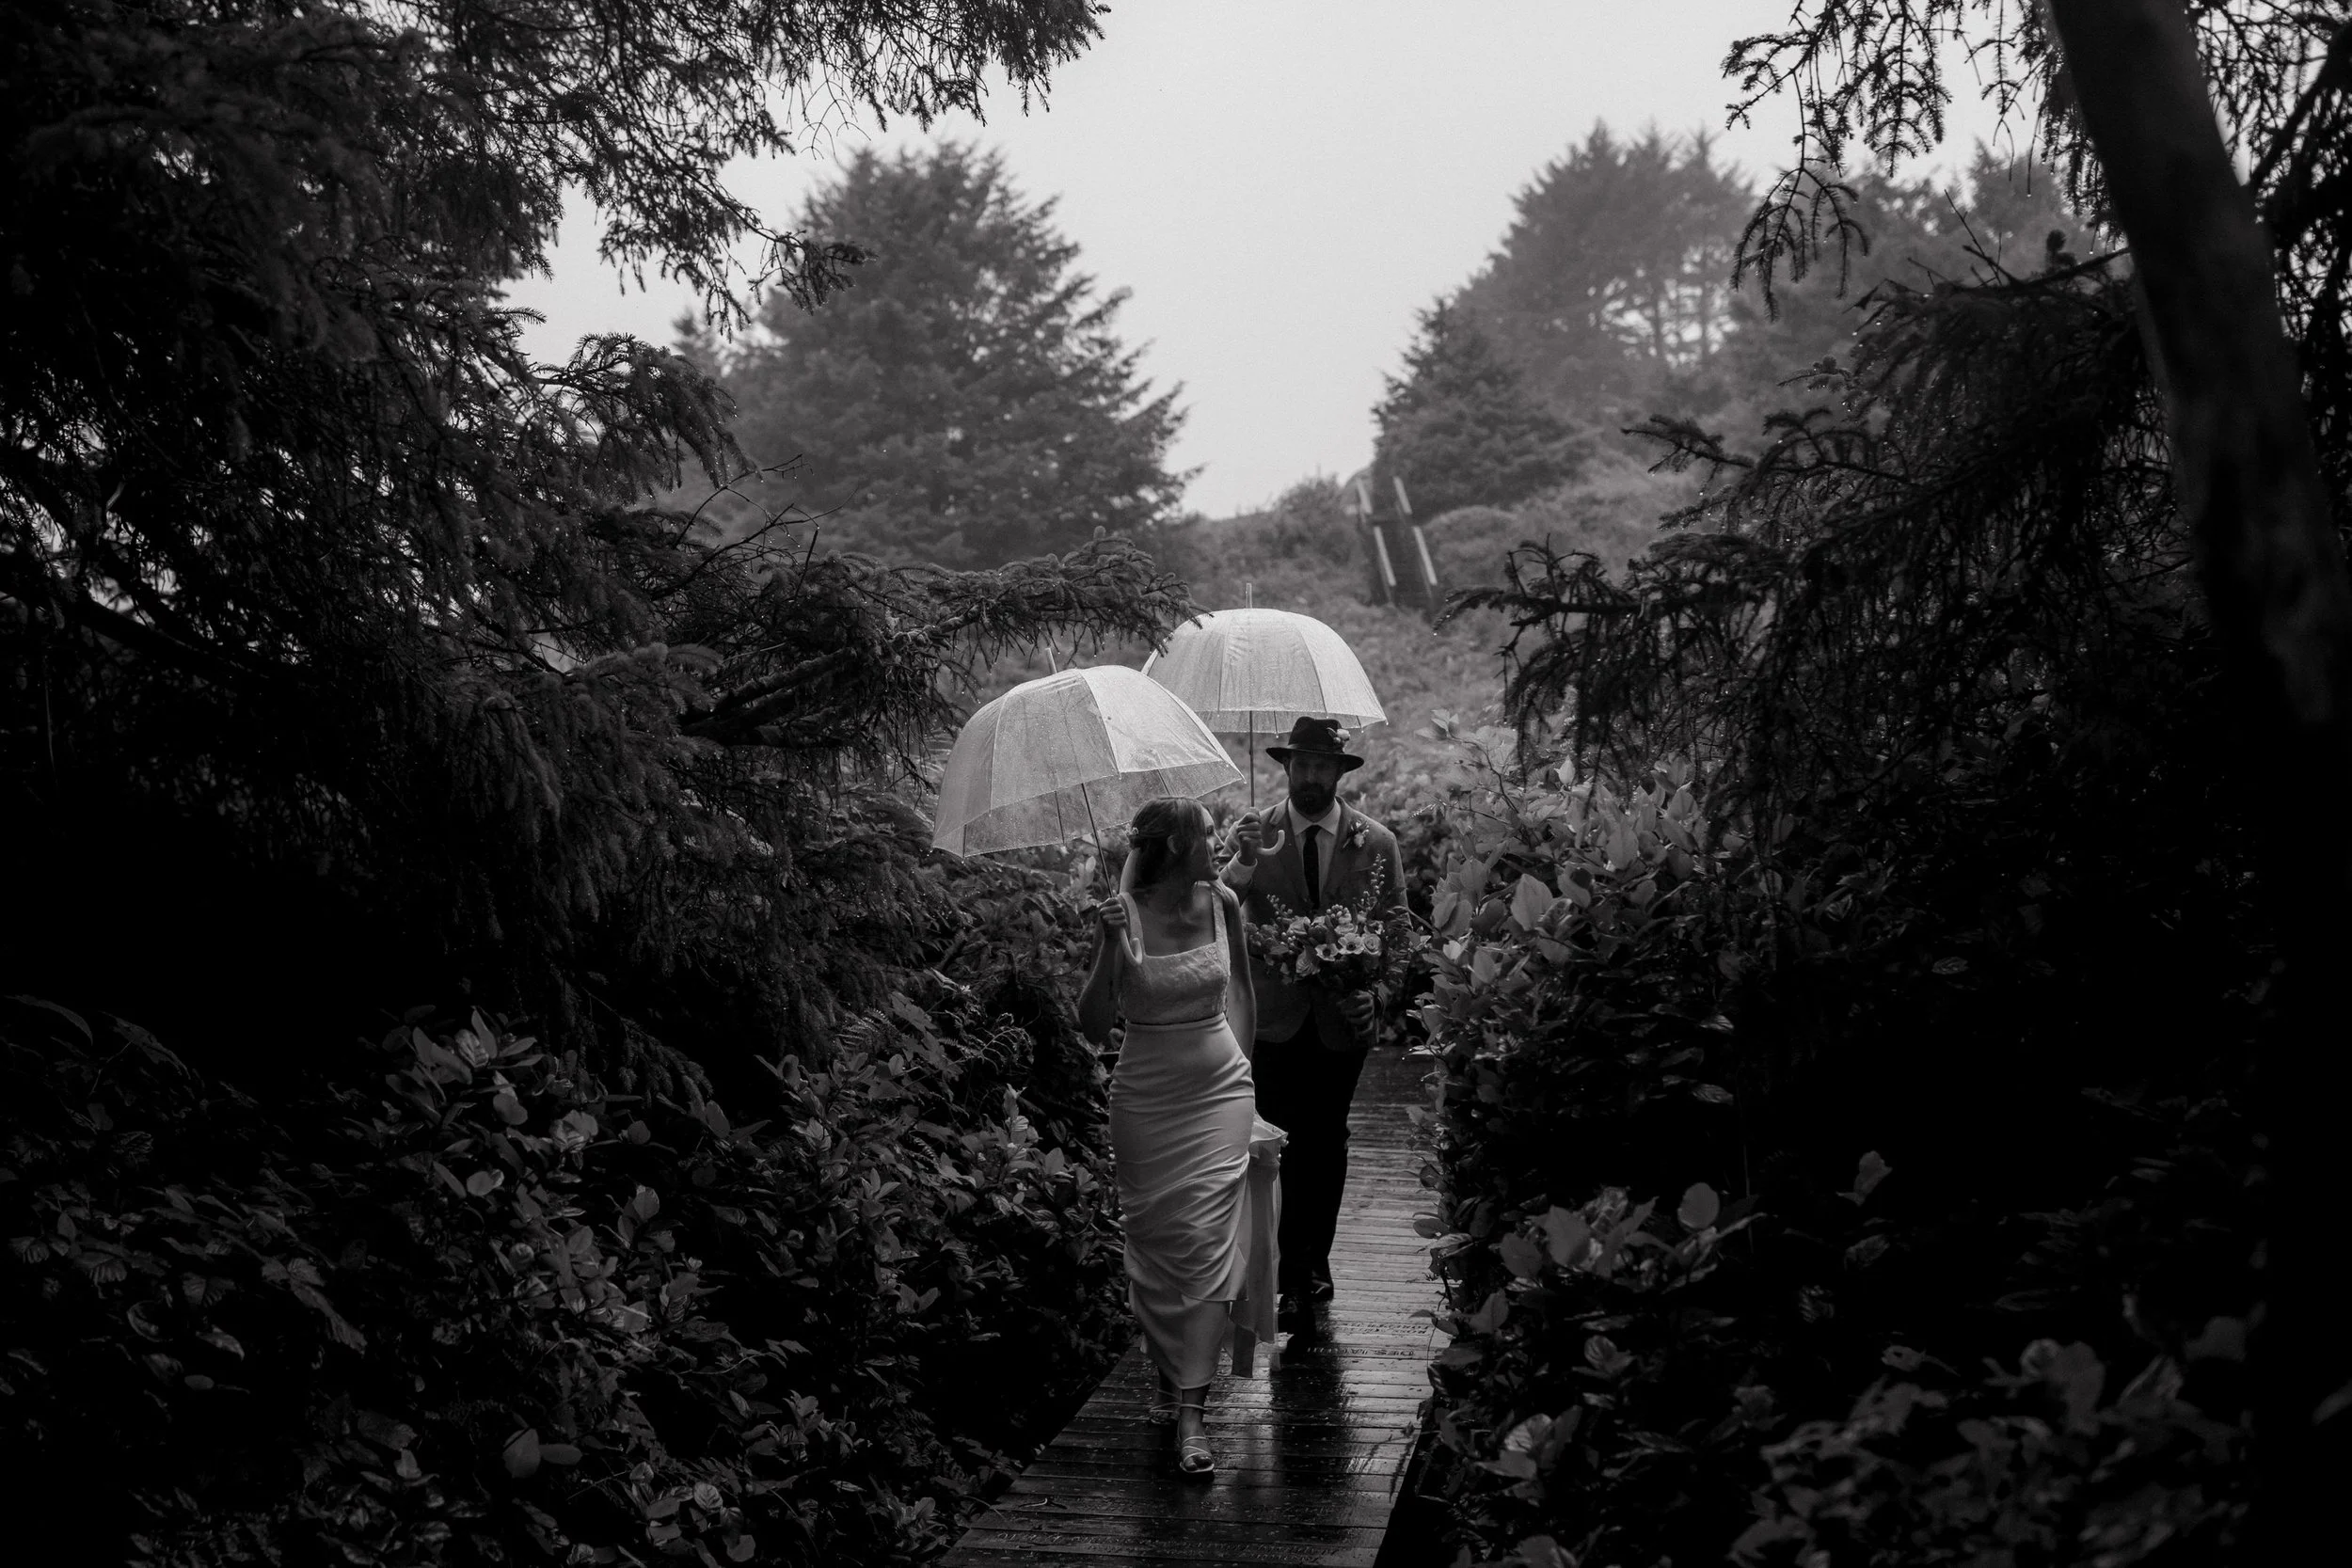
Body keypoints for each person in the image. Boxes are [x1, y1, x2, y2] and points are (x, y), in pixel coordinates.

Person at [1076, 797, 1278, 1479]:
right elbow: (1091, 1025)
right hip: (1145, 1098)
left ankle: (1192, 1411)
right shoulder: (1121, 916)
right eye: (1206, 836)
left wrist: (1246, 1082)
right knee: (1159, 1245)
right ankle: (1171, 1370)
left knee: (1209, 1242)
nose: (1216, 844)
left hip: (1221, 1089)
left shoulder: (1222, 902)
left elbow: (1242, 993)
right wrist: (1109, 947)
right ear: (1173, 848)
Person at [1224, 717, 1406, 1334]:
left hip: (1340, 1022)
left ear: (1339, 771)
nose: (1309, 775)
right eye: (1299, 764)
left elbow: (1398, 932)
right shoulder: (1257, 835)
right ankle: (1290, 1268)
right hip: (1271, 1020)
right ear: (1286, 767)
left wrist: (1376, 995)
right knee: (1278, 1142)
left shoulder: (1375, 842)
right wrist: (1240, 865)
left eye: (1321, 765)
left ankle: (1311, 1262)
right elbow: (1220, 910)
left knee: (1326, 1140)